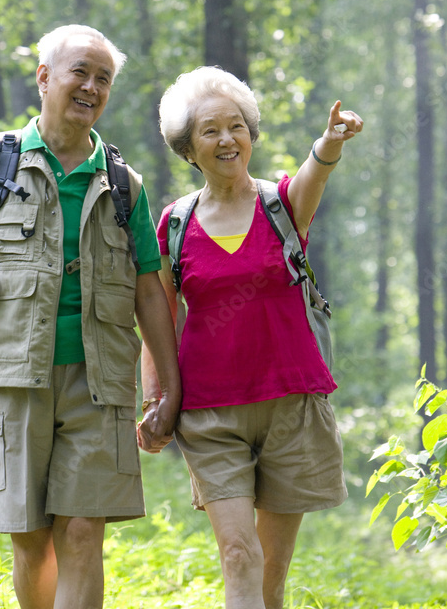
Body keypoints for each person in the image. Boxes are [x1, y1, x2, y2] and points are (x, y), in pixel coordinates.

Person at [0, 24, 181, 609]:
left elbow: (151, 292)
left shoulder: (124, 184)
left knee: (82, 532)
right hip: (11, 378)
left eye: (104, 78)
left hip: (98, 382)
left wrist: (168, 388)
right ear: (45, 77)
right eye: (80, 71)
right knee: (31, 540)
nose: (92, 86)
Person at [138, 66, 363, 609]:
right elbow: (158, 319)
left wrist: (329, 142)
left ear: (251, 135)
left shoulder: (282, 205)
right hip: (210, 414)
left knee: (271, 577)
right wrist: (155, 398)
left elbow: (315, 176)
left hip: (291, 403)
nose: (226, 139)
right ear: (188, 148)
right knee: (239, 554)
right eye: (210, 130)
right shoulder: (174, 223)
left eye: (236, 126)